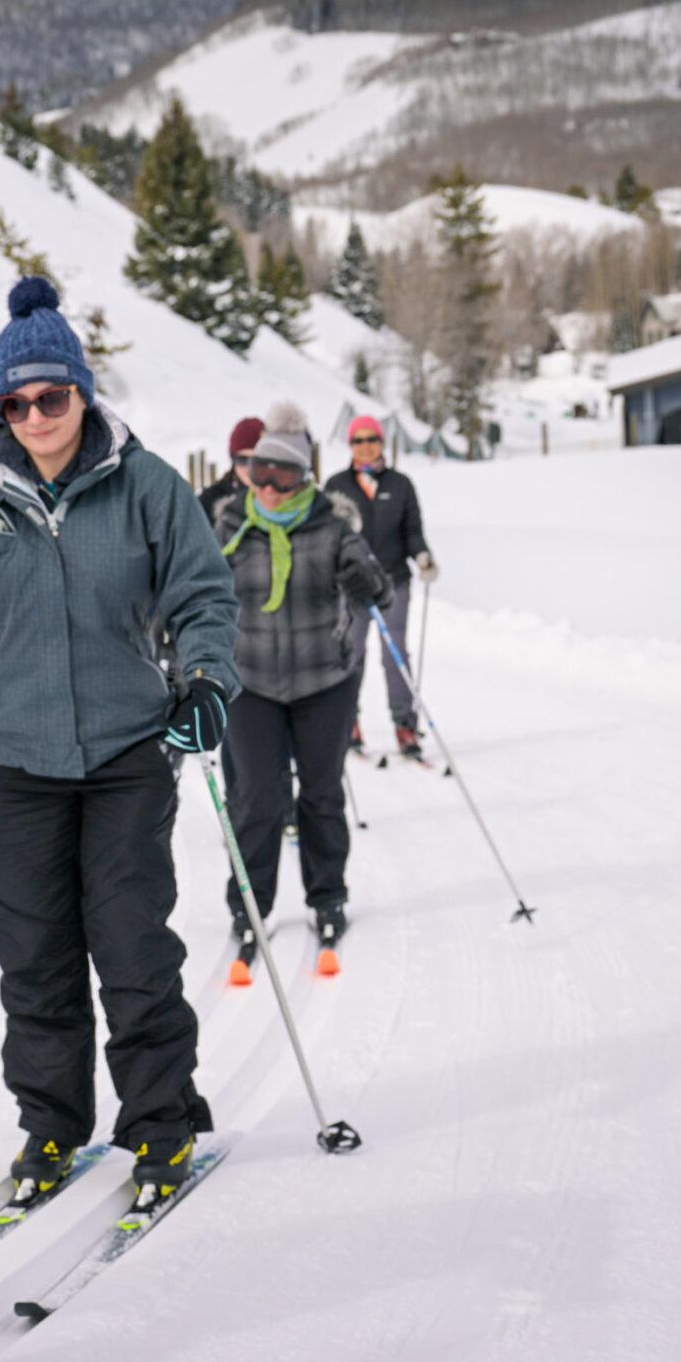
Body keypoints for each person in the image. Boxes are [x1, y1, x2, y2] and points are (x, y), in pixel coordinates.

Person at [0, 277, 239, 1211]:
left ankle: (161, 1122)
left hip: (124, 757)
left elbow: (202, 594)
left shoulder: (148, 484)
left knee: (131, 948)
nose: (36, 413)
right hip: (14, 765)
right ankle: (51, 1124)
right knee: (33, 957)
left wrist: (204, 680)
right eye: (17, 400)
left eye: (53, 395)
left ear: (82, 391)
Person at [213, 403, 393, 982]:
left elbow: (379, 591)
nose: (268, 487)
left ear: (304, 477)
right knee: (259, 800)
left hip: (324, 682)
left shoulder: (332, 525)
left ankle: (327, 896)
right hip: (252, 682)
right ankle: (249, 904)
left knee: (319, 795)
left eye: (282, 476)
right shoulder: (227, 526)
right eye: (260, 473)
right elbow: (196, 591)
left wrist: (366, 581)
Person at [327, 416, 437, 759]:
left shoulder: (400, 484)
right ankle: (347, 722)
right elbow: (327, 536)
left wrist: (422, 556)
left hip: (393, 580)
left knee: (395, 655)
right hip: (352, 585)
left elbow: (413, 530)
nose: (365, 446)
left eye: (371, 439)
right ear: (351, 445)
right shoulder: (336, 484)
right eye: (358, 440)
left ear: (382, 442)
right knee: (352, 654)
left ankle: (405, 723)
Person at [199, 416, 264, 527]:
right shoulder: (209, 502)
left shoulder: (284, 497)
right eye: (243, 460)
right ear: (233, 460)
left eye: (257, 459)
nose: (250, 467)